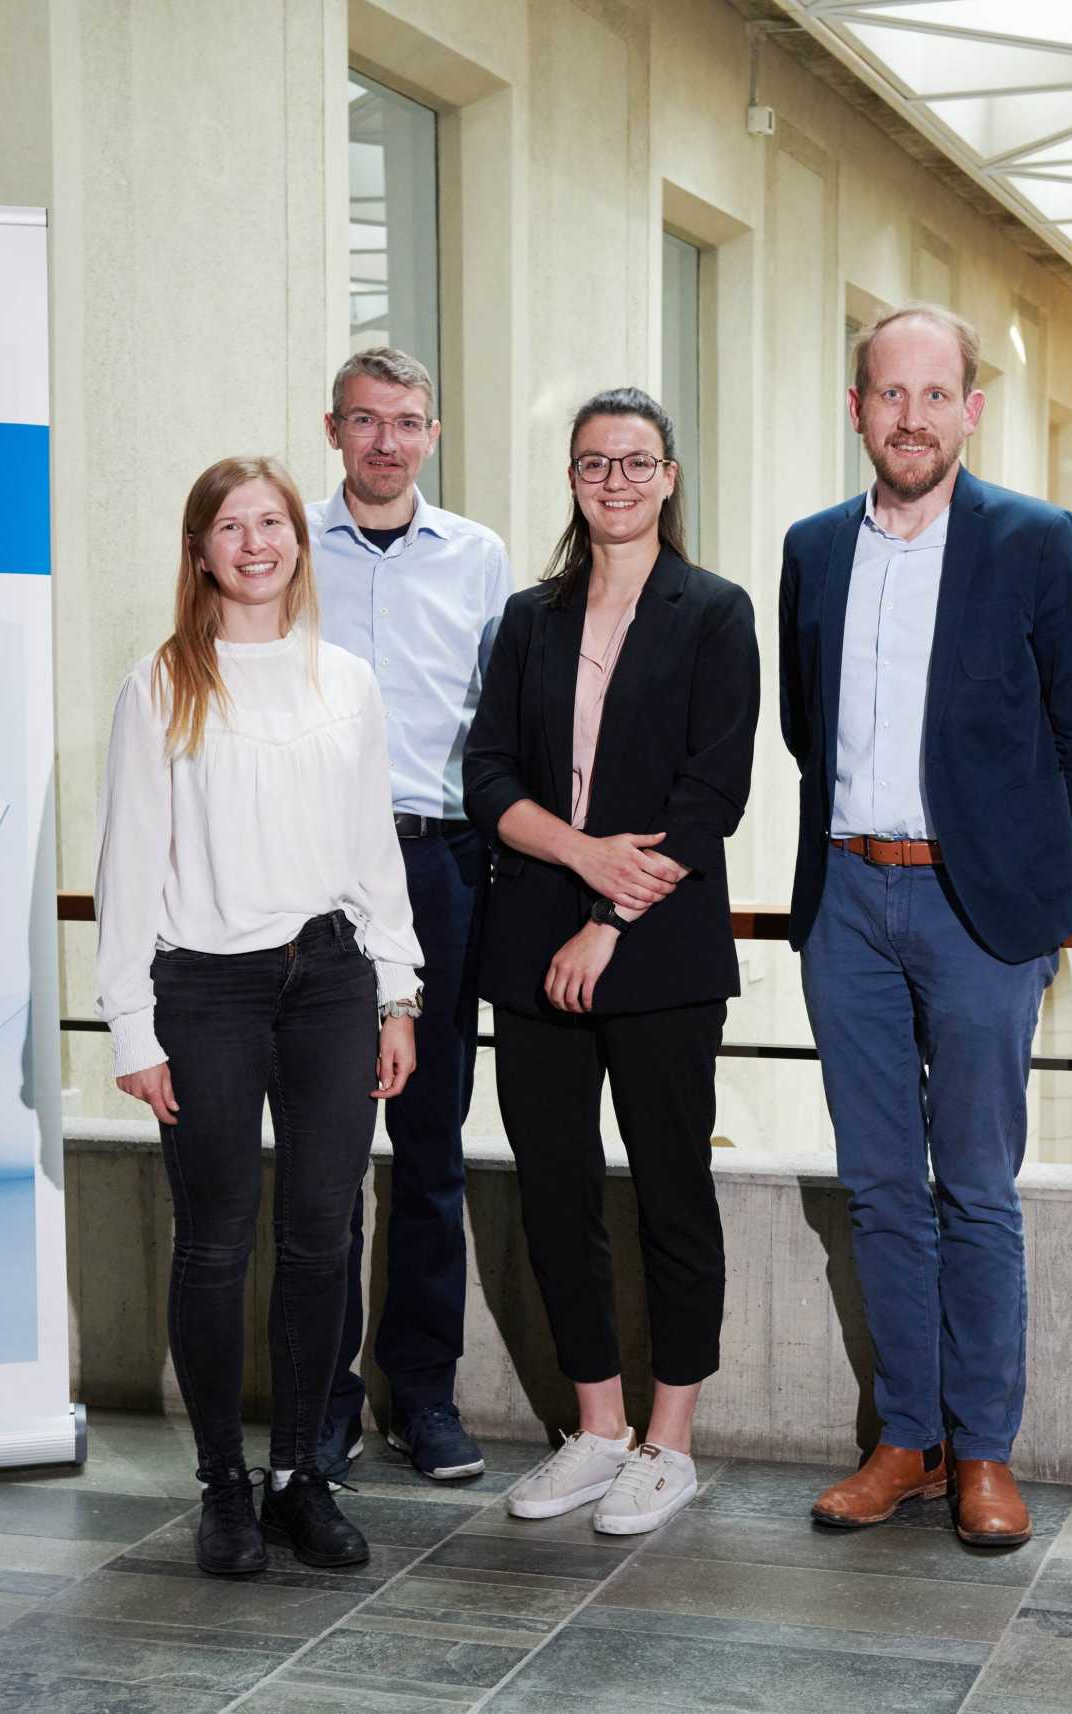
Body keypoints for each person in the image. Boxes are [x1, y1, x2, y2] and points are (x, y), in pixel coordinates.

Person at [781, 304, 1072, 1547]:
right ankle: (906, 1441)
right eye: (889, 393)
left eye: (935, 394)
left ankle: (984, 1450)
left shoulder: (1034, 541)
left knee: (975, 1187)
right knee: (880, 1187)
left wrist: (1013, 882)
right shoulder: (814, 550)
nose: (910, 417)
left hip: (978, 912)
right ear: (858, 406)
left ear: (970, 410)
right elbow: (802, 731)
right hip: (845, 902)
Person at [96, 456, 423, 1576]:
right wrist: (130, 1026)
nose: (254, 542)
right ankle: (223, 1487)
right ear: (200, 551)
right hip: (205, 990)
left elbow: (373, 854)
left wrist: (397, 990)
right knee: (216, 1240)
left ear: (297, 539)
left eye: (272, 521)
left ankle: (297, 1475)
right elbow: (129, 863)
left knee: (323, 1232)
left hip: (330, 979)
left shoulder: (347, 682)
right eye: (230, 526)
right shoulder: (160, 686)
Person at [465, 386, 758, 1537]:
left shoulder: (715, 612)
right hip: (531, 938)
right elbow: (488, 778)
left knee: (673, 1193)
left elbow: (712, 796)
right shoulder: (529, 618)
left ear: (670, 476)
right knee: (554, 1193)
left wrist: (608, 916)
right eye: (596, 463)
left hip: (659, 948)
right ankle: (594, 1429)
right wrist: (580, 855)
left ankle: (669, 1441)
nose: (617, 481)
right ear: (574, 478)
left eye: (638, 462)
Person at [308, 346, 513, 1484]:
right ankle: (323, 1395)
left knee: (432, 1149)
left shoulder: (478, 558)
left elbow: (504, 721)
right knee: (328, 1158)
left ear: (433, 435)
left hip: (442, 870)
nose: (386, 441)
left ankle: (422, 1395)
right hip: (317, 876)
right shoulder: (284, 545)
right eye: (365, 420)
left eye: (407, 422)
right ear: (332, 429)